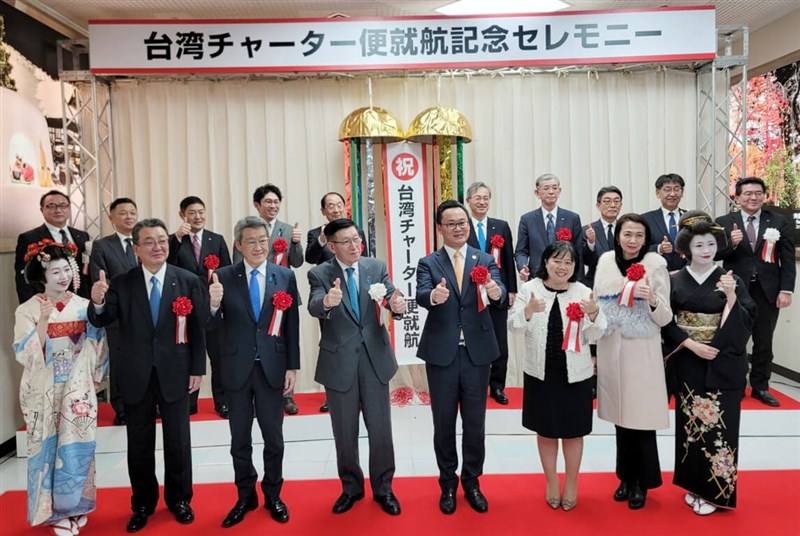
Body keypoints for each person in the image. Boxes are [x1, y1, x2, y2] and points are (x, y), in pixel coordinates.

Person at [88, 219, 207, 532]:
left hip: (177, 373)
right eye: (150, 242)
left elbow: (198, 329)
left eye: (162, 240)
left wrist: (197, 368)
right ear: (136, 248)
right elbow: (104, 319)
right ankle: (142, 503)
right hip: (135, 374)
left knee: (178, 441)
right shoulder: (122, 283)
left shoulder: (187, 280)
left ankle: (180, 500)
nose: (158, 247)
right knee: (139, 443)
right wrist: (98, 301)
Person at [308, 218, 407, 516]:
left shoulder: (375, 266)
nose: (354, 246)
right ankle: (351, 488)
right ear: (332, 246)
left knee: (380, 429)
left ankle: (384, 488)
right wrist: (328, 301)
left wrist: (397, 305)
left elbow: (390, 295)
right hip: (339, 362)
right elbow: (314, 305)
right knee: (344, 431)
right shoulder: (320, 273)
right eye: (346, 241)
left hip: (374, 359)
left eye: (357, 239)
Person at [207, 216, 299, 527]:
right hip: (236, 370)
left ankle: (273, 494)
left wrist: (292, 366)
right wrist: (212, 306)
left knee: (274, 438)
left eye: (263, 240)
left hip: (272, 369)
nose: (259, 247)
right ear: (238, 245)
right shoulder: (222, 277)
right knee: (240, 440)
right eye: (251, 241)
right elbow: (209, 326)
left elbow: (292, 327)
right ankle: (245, 496)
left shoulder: (284, 275)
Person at [662, 211, 756, 516]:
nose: (706, 250)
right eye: (699, 245)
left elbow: (748, 317)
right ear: (686, 249)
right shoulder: (674, 279)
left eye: (711, 244)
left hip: (721, 361)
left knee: (720, 429)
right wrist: (690, 344)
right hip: (688, 360)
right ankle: (693, 486)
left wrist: (731, 297)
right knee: (691, 427)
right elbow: (666, 321)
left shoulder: (731, 279)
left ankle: (716, 493)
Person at [417, 200, 506, 515]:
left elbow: (500, 291)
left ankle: (472, 481)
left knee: (475, 423)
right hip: (442, 354)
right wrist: (433, 296)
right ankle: (447, 484)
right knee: (443, 423)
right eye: (451, 224)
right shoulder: (429, 262)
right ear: (440, 228)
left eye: (462, 223)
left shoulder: (485, 259)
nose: (458, 228)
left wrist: (495, 291)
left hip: (476, 354)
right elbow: (421, 294)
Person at [14, 241, 107, 535]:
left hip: (76, 386)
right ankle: (52, 513)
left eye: (67, 270)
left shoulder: (82, 305)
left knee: (77, 446)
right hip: (43, 388)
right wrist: (43, 320)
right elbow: (26, 354)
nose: (63, 277)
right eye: (55, 272)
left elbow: (97, 342)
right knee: (47, 451)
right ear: (41, 275)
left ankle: (76, 506)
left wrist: (92, 377)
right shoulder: (27, 309)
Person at [509, 241, 605, 512]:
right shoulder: (530, 289)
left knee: (574, 432)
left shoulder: (583, 292)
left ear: (575, 266)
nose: (562, 267)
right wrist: (528, 311)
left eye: (568, 262)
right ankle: (551, 481)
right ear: (546, 261)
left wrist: (594, 313)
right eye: (557, 260)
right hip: (541, 373)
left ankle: (572, 483)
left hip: (575, 374)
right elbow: (513, 326)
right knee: (546, 430)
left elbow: (597, 333)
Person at [593, 213, 672, 510]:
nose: (632, 240)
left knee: (641, 419)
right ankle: (624, 477)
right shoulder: (605, 262)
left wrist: (651, 299)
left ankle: (642, 482)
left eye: (639, 235)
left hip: (642, 350)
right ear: (618, 236)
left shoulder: (656, 264)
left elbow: (665, 316)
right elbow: (596, 304)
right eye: (627, 234)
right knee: (620, 420)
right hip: (611, 347)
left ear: (646, 238)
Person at [716, 177, 796, 407]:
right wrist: (731, 243)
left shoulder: (779, 221)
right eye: (748, 193)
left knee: (764, 341)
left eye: (758, 193)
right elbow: (714, 254)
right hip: (735, 290)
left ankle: (760, 387)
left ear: (764, 195)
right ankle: (735, 384)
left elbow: (787, 259)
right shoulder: (724, 221)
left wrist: (786, 290)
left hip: (767, 291)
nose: (753, 197)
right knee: (735, 339)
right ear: (737, 197)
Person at [235, 183, 303, 415]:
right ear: (257, 205)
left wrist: (296, 243)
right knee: (257, 341)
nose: (273, 206)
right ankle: (255, 393)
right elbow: (237, 262)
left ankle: (287, 394)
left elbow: (297, 262)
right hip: (254, 294)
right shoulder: (246, 229)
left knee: (284, 341)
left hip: (282, 297)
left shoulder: (288, 229)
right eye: (268, 202)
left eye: (276, 202)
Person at [168, 195, 232, 417]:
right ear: (182, 215)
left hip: (213, 307)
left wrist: (223, 305)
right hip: (184, 308)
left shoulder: (217, 239)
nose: (197, 216)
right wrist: (177, 238)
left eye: (201, 212)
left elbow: (227, 272)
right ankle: (189, 401)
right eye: (192, 213)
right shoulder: (174, 240)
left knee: (219, 356)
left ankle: (222, 402)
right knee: (188, 356)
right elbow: (167, 267)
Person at [304, 192, 367, 413]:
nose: (336, 209)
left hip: (354, 292)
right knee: (332, 344)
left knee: (360, 338)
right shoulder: (316, 234)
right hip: (329, 296)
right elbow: (309, 258)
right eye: (330, 206)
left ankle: (361, 390)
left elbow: (365, 259)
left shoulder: (355, 231)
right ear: (323, 211)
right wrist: (322, 239)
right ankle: (333, 394)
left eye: (339, 204)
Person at [465, 181, 517, 405]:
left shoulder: (501, 226)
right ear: (468, 201)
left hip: (497, 293)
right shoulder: (462, 226)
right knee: (473, 341)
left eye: (486, 198)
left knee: (499, 343)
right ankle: (474, 386)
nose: (482, 202)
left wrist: (511, 289)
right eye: (478, 198)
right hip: (470, 294)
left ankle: (497, 386)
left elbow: (508, 259)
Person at [89, 197, 139, 425]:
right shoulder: (102, 246)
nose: (129, 216)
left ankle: (149, 403)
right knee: (120, 362)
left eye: (132, 212)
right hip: (118, 313)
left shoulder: (145, 241)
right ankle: (122, 409)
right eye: (123, 213)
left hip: (147, 313)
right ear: (111, 218)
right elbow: (101, 279)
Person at [15, 190, 90, 302]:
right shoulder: (29, 238)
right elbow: (23, 276)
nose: (58, 210)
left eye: (63, 205)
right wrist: (30, 303)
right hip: (48, 301)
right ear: (42, 210)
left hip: (80, 299)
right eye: (51, 206)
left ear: (69, 208)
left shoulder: (82, 236)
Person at [515, 173, 582, 282]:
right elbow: (521, 251)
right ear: (537, 193)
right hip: (537, 276)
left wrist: (577, 279)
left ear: (559, 191)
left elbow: (578, 252)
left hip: (565, 277)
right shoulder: (527, 219)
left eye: (554, 188)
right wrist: (522, 267)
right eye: (546, 188)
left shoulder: (572, 218)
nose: (551, 192)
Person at [641, 173, 687, 272]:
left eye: (676, 189)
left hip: (687, 274)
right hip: (657, 274)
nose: (672, 194)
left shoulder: (691, 218)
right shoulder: (645, 219)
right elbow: (638, 248)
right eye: (667, 189)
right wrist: (659, 248)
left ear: (682, 192)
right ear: (658, 193)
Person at [581, 186, 623, 288]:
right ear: (598, 205)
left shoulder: (626, 229)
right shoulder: (587, 230)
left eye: (616, 201)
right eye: (607, 202)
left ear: (621, 205)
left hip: (623, 283)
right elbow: (585, 260)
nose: (612, 205)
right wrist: (591, 243)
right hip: (595, 283)